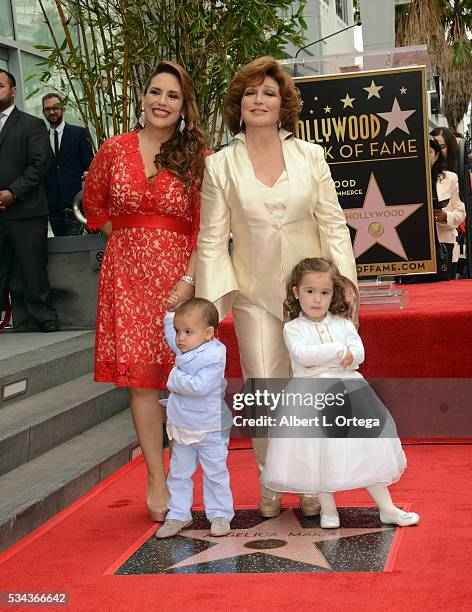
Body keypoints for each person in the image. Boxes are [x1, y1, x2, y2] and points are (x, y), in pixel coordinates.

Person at [196, 56, 357, 519]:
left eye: (268, 92)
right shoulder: (221, 164)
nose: (259, 100)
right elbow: (211, 237)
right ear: (238, 104)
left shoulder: (311, 156)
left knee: (309, 390)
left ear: (283, 104)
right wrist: (210, 305)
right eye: (250, 93)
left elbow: (331, 221)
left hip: (312, 301)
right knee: (264, 390)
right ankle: (270, 480)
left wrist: (344, 283)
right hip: (253, 297)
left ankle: (309, 482)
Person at [82, 61, 208, 522]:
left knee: (185, 381)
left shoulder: (196, 157)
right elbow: (94, 207)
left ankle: (186, 474)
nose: (161, 101)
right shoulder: (113, 150)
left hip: (180, 280)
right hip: (127, 278)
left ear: (183, 107)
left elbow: (206, 225)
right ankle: (156, 477)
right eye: (155, 91)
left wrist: (188, 278)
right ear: (142, 98)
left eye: (172, 95)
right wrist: (131, 238)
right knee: (142, 383)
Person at [261, 257, 420, 528]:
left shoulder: (343, 323)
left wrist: (347, 355)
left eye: (325, 293)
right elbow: (303, 356)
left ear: (333, 294)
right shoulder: (293, 328)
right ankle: (328, 509)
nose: (317, 299)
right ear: (297, 292)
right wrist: (337, 352)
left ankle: (387, 508)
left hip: (348, 393)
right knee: (317, 454)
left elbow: (358, 353)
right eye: (310, 291)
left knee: (366, 449)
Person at [156, 298, 234, 538]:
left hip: (210, 426)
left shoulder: (214, 355)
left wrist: (174, 379)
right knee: (178, 472)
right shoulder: (186, 345)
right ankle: (178, 514)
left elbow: (199, 386)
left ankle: (220, 513)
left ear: (208, 333)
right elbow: (171, 334)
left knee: (215, 472)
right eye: (180, 331)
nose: (180, 338)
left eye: (187, 332)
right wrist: (170, 314)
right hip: (183, 427)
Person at [0, 69, 58, 332]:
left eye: (0, 86)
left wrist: (12, 193)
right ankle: (11, 319)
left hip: (26, 210)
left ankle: (45, 318)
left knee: (32, 268)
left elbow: (40, 165)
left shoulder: (32, 124)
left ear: (12, 92)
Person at [42, 93, 94, 236]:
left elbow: (90, 165)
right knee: (59, 244)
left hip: (75, 200)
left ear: (63, 110)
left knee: (77, 242)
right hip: (52, 202)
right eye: (47, 109)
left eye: (55, 108)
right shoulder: (39, 138)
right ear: (43, 112)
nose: (52, 112)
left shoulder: (79, 133)